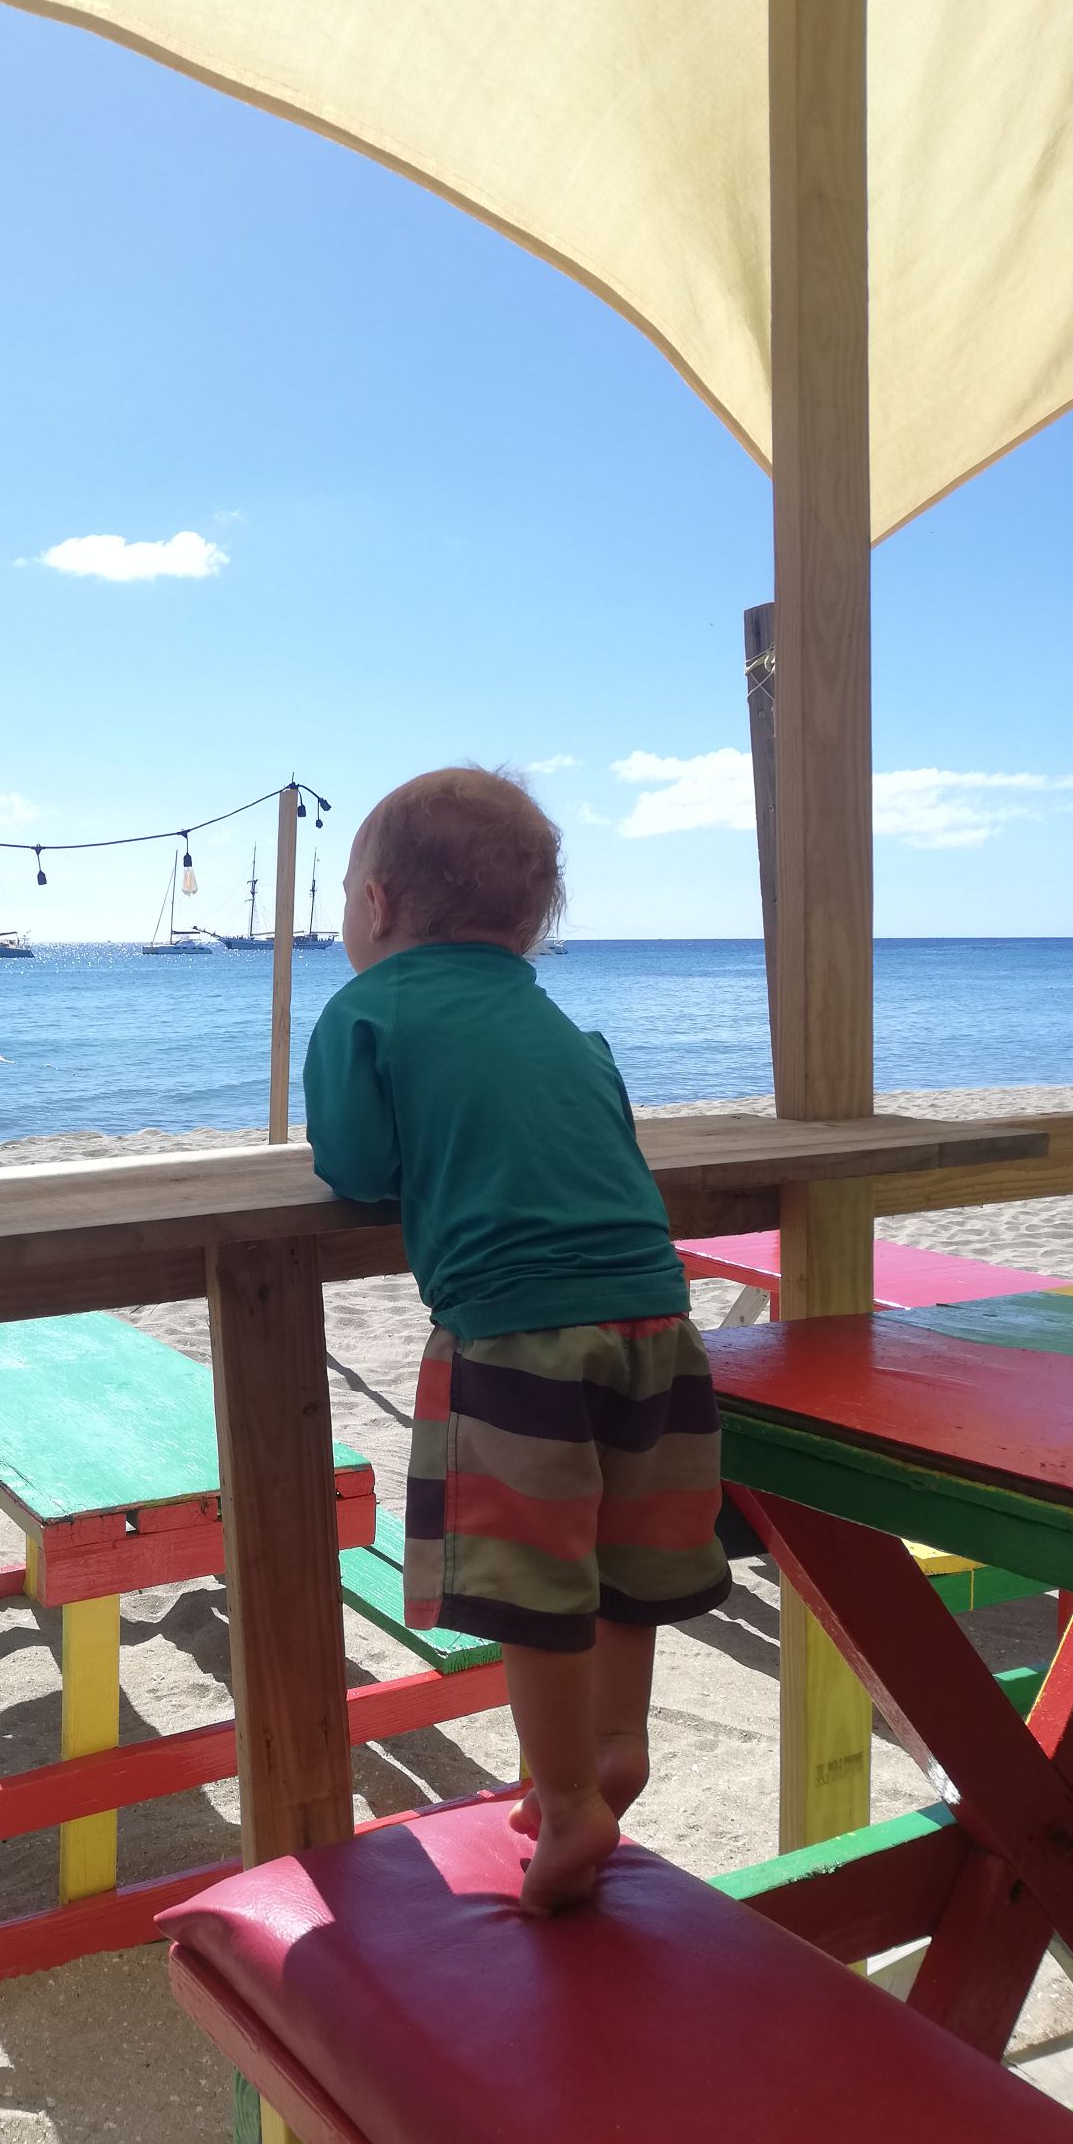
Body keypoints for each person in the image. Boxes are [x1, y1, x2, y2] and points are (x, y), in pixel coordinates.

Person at [302, 766, 729, 1913]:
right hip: (659, 1324)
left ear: (377, 906)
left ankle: (569, 1796)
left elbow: (357, 1168)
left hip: (517, 1331)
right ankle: (617, 1743)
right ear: (530, 921)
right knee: (625, 1559)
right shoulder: (571, 1032)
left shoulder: (368, 1012)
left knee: (533, 1583)